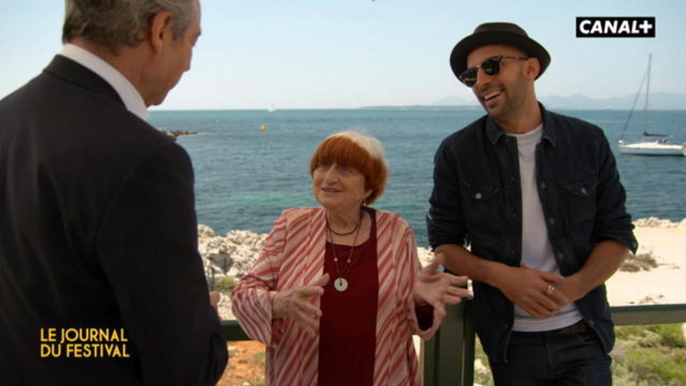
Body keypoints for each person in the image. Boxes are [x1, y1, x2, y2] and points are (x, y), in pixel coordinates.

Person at [0, 1, 228, 384]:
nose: (189, 63)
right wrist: (204, 316)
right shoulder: (146, 159)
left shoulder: (8, 117)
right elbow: (186, 368)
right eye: (192, 42)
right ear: (159, 30)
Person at [427, 22, 638, 385]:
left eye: (491, 66)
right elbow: (445, 245)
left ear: (530, 67)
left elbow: (616, 232)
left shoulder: (587, 141)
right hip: (510, 344)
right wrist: (504, 277)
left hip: (584, 336)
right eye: (471, 74)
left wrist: (572, 288)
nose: (480, 81)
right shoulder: (458, 152)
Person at [232, 131, 470, 385]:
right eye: (323, 166)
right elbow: (243, 295)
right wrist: (279, 303)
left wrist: (420, 301)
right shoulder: (292, 225)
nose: (329, 177)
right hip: (301, 376)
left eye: (345, 170)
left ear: (368, 187)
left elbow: (412, 319)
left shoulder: (396, 231)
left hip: (382, 376)